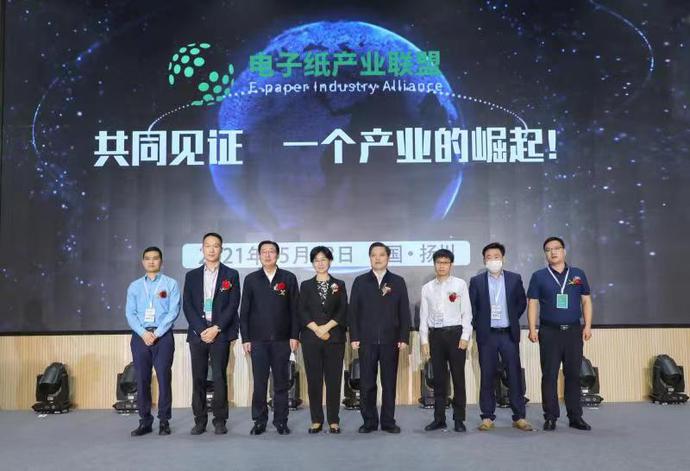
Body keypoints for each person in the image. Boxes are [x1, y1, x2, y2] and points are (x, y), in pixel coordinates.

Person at [527, 236, 593, 431]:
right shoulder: (539, 276)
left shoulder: (578, 274)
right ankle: (550, 417)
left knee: (573, 375)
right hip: (549, 332)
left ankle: (575, 417)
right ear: (545, 254)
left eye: (556, 248)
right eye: (548, 250)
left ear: (564, 251)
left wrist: (587, 326)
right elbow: (533, 303)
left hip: (573, 331)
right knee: (549, 375)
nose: (553, 252)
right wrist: (532, 328)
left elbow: (586, 301)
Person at [469, 242, 533, 432]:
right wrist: (480, 325)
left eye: (496, 256)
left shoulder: (514, 279)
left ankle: (519, 416)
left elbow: (521, 303)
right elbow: (472, 307)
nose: (493, 260)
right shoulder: (477, 281)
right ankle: (487, 416)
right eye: (488, 257)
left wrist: (510, 318)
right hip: (487, 335)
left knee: (514, 375)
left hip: (508, 334)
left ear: (503, 258)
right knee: (487, 376)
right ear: (484, 260)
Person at [349, 242, 410, 433]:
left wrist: (403, 337)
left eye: (381, 255)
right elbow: (353, 311)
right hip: (366, 341)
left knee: (389, 383)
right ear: (370, 258)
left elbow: (404, 311)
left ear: (388, 257)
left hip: (390, 340)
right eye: (374, 255)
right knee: (367, 384)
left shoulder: (397, 281)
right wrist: (354, 336)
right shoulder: (360, 281)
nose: (377, 258)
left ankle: (388, 421)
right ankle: (369, 421)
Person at [183, 232, 241, 435]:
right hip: (197, 334)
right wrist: (201, 329)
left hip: (220, 333)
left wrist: (216, 328)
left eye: (216, 245)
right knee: (198, 377)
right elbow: (187, 305)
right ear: (202, 249)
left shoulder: (231, 274)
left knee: (219, 377)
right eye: (208, 245)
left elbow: (233, 305)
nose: (211, 249)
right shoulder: (191, 276)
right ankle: (199, 420)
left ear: (221, 249)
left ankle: (220, 420)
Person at [240, 240, 300, 435]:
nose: (267, 255)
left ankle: (281, 421)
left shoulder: (288, 278)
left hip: (282, 340)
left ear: (277, 255)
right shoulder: (251, 279)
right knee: (259, 383)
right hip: (257, 341)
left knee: (281, 383)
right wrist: (246, 338)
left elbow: (295, 310)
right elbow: (244, 311)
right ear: (259, 255)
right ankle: (259, 421)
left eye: (271, 251)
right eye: (264, 252)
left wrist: (294, 335)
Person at [125, 246, 180, 436]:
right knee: (142, 379)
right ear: (143, 262)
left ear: (161, 262)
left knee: (164, 378)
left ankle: (164, 421)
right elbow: (130, 314)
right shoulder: (134, 286)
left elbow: (173, 311)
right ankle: (145, 421)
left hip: (163, 337)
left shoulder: (170, 284)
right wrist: (143, 333)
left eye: (155, 258)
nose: (151, 261)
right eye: (147, 258)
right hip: (140, 337)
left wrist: (156, 333)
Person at [419, 249, 472, 432]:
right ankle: (439, 418)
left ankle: (459, 419)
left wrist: (465, 336)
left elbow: (467, 313)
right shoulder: (427, 288)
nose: (442, 266)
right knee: (439, 380)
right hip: (435, 336)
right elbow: (423, 316)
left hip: (455, 335)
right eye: (439, 262)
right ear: (434, 264)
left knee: (458, 379)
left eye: (445, 262)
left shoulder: (460, 285)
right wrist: (424, 340)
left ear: (451, 265)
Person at [299, 246, 348, 434]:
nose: (320, 263)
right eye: (316, 260)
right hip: (311, 339)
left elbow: (343, 310)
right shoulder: (306, 285)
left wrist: (326, 328)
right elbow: (302, 311)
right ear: (313, 263)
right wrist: (317, 329)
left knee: (334, 380)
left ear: (330, 261)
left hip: (334, 339)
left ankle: (334, 420)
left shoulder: (339, 284)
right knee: (314, 380)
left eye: (323, 259)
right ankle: (316, 420)